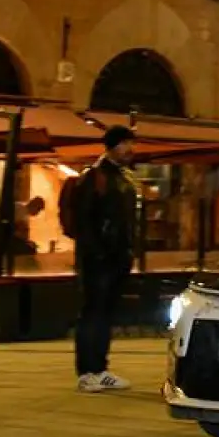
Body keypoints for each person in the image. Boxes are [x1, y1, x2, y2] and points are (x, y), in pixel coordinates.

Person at [71, 126, 139, 392]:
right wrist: (97, 251)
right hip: (98, 259)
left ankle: (100, 368)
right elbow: (83, 220)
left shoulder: (123, 178)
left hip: (117, 257)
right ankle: (87, 372)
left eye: (131, 143)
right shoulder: (94, 177)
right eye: (124, 144)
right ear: (111, 146)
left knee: (105, 313)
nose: (130, 149)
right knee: (93, 313)